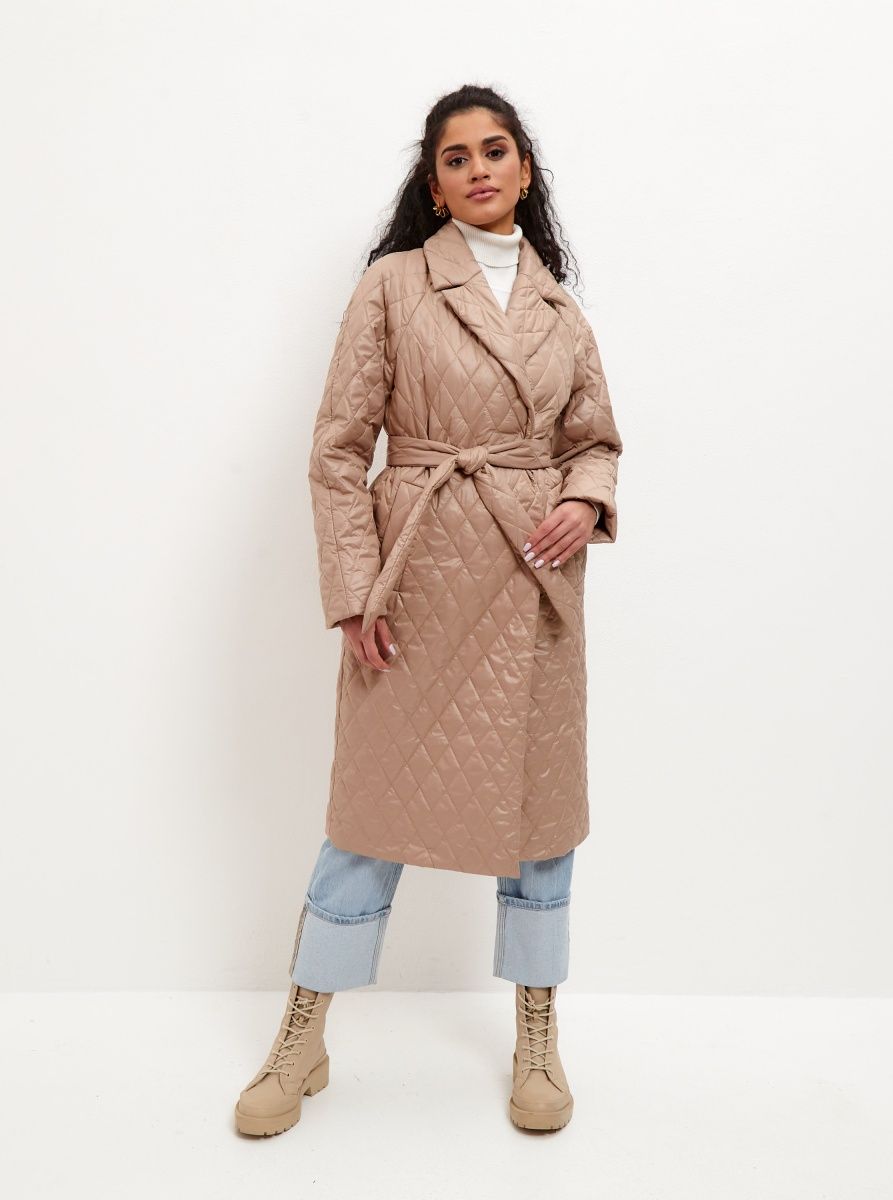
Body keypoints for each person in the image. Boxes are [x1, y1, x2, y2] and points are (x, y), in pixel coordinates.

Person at [234, 83, 624, 1138]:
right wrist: (355, 592)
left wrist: (584, 498)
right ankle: (303, 1035)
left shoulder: (561, 311)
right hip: (415, 581)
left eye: (495, 151)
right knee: (366, 820)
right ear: (434, 184)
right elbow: (336, 451)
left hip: (534, 586)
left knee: (542, 827)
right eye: (456, 158)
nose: (478, 169)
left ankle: (536, 1034)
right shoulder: (394, 286)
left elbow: (594, 439)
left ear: (525, 170)